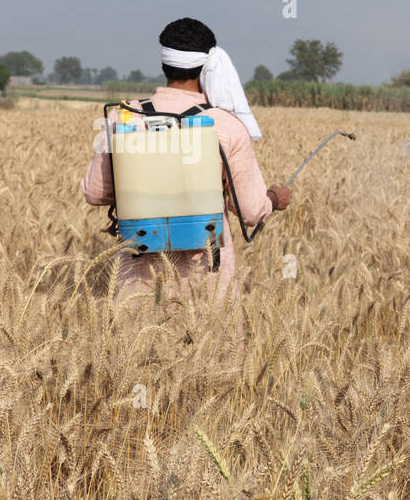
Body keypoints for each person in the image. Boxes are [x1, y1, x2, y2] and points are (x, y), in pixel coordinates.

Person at [82, 17, 291, 304]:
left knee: (138, 348)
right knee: (216, 346)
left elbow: (96, 193)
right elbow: (251, 212)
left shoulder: (123, 116)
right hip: (206, 277)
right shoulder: (225, 125)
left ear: (164, 64)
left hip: (137, 278)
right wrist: (273, 199)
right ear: (206, 67)